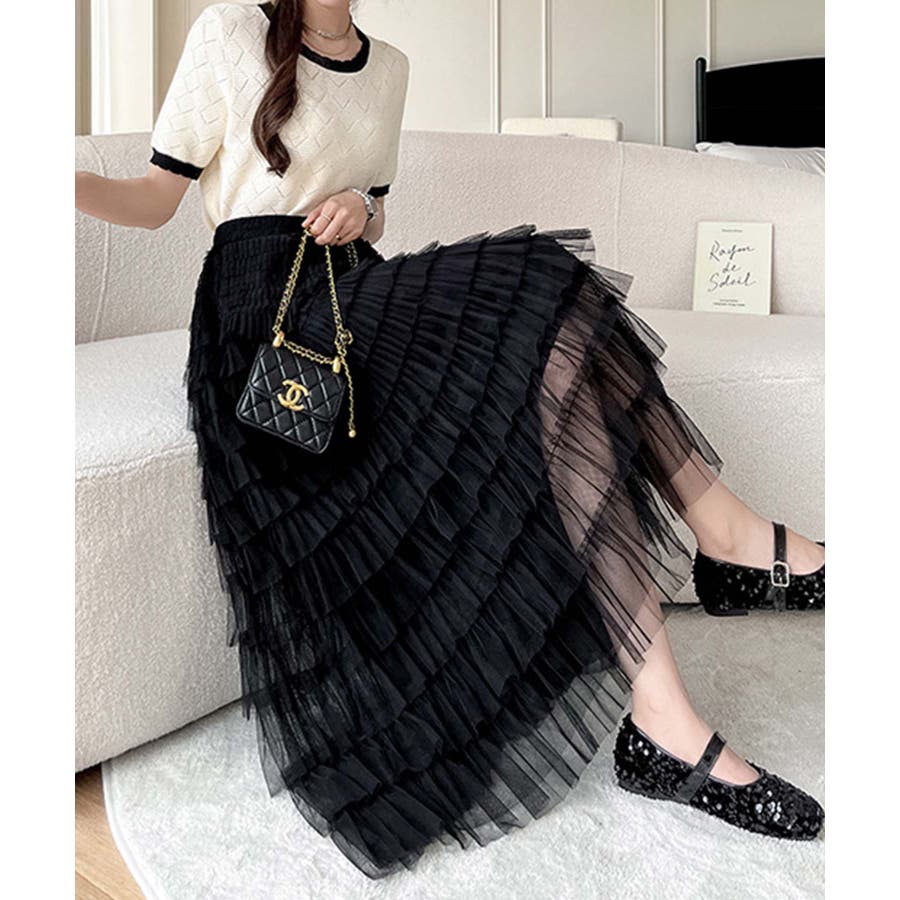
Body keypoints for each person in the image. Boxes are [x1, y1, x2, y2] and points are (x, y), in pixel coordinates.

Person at [75, 0, 825, 880]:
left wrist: (359, 205)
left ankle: (666, 713)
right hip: (264, 322)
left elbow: (378, 215)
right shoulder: (229, 32)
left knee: (561, 356)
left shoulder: (387, 66)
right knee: (544, 276)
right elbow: (152, 200)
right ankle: (728, 544)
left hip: (357, 299)